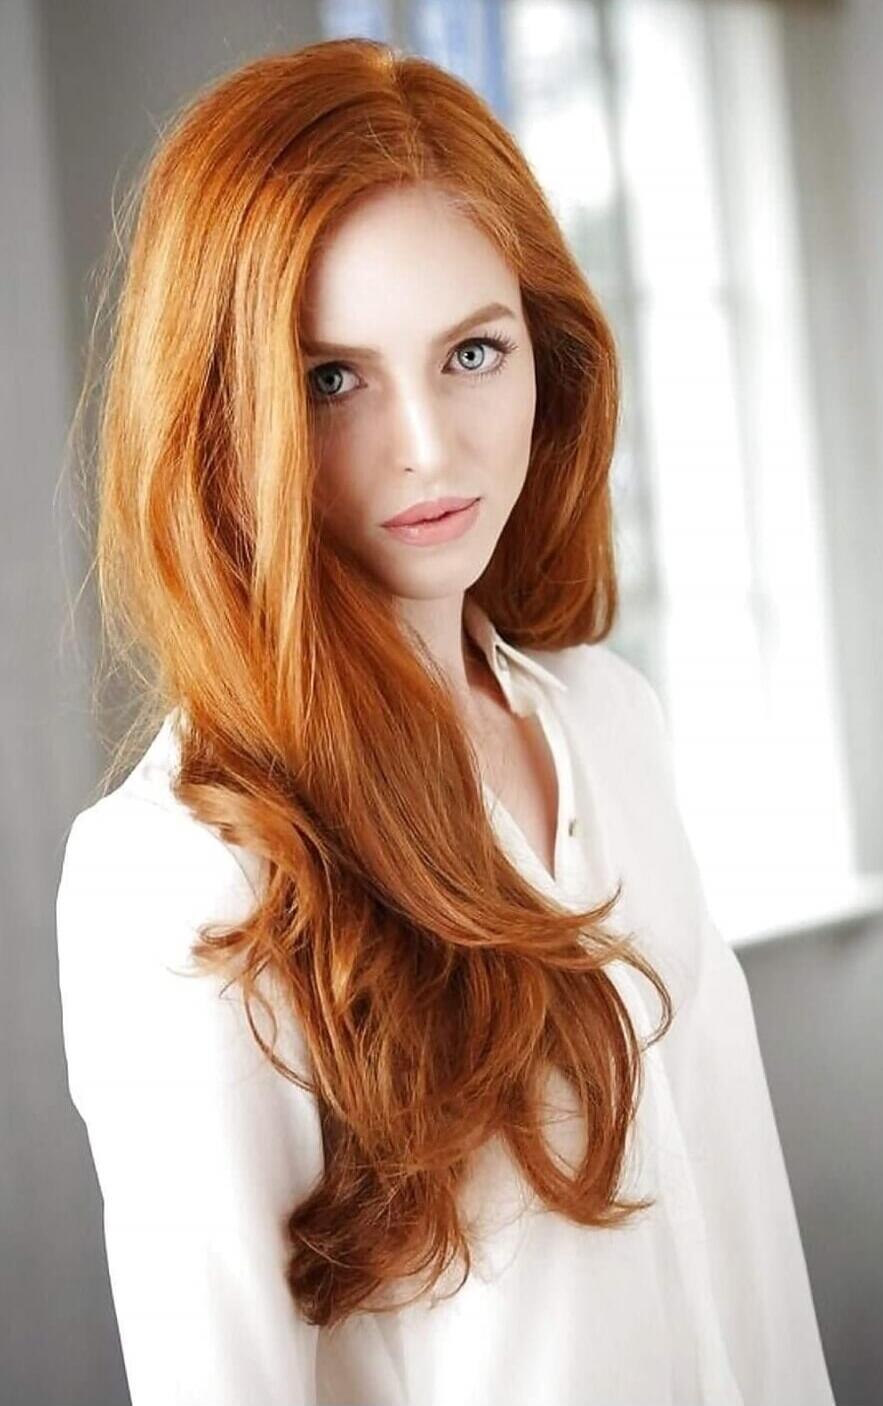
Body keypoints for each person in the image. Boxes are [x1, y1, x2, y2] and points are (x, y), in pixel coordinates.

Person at [55, 36, 836, 1406]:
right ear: (223, 417)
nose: (428, 443)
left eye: (472, 350)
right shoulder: (179, 872)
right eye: (331, 379)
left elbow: (752, 1267)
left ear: (547, 352)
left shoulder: (613, 725)